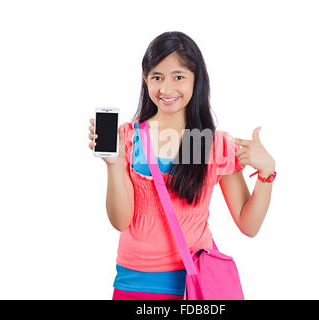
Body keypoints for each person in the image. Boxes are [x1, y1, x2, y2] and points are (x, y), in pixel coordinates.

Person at [87, 31, 276, 300]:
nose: (166, 89)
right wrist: (114, 164)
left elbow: (249, 225)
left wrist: (267, 173)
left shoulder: (215, 145)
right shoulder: (129, 137)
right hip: (133, 285)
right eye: (157, 77)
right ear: (145, 80)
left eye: (178, 77)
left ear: (196, 80)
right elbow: (120, 221)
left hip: (194, 286)